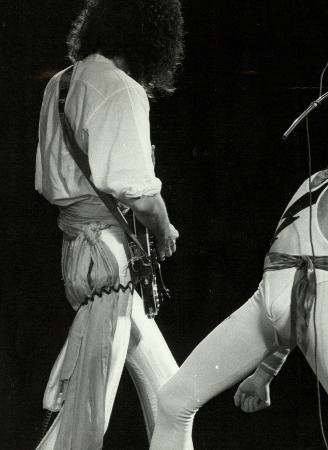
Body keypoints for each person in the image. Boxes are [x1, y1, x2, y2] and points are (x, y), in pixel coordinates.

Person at [149, 66, 328, 450]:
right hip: (268, 297)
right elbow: (289, 297)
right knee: (172, 403)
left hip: (323, 295)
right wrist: (267, 368)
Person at [34, 0, 184, 448]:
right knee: (84, 416)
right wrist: (165, 229)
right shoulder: (120, 88)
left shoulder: (61, 83)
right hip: (109, 261)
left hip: (81, 251)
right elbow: (139, 194)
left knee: (174, 400)